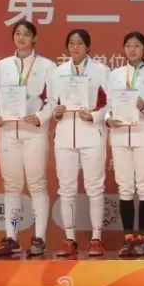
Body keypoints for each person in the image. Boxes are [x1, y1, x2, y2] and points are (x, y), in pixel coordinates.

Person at [0, 20, 55, 258]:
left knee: (37, 185)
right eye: (17, 33)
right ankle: (11, 238)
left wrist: (39, 117)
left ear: (34, 38)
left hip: (34, 133)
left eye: (26, 34)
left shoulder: (47, 66)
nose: (21, 38)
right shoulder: (2, 65)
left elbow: (53, 101)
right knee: (11, 187)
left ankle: (39, 239)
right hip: (8, 132)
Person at [48, 29, 110, 257]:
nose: (75, 47)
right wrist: (56, 111)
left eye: (80, 43)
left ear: (88, 47)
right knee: (66, 188)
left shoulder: (101, 71)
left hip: (92, 133)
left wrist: (94, 116)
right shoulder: (57, 73)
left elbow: (110, 103)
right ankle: (70, 239)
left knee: (94, 187)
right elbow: (51, 102)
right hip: (65, 134)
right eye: (72, 43)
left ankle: (96, 238)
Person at [106, 32, 144, 257]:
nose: (132, 50)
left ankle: (141, 239)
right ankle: (128, 240)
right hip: (120, 136)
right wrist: (107, 119)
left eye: (137, 46)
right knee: (124, 188)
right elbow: (107, 105)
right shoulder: (115, 75)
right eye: (128, 45)